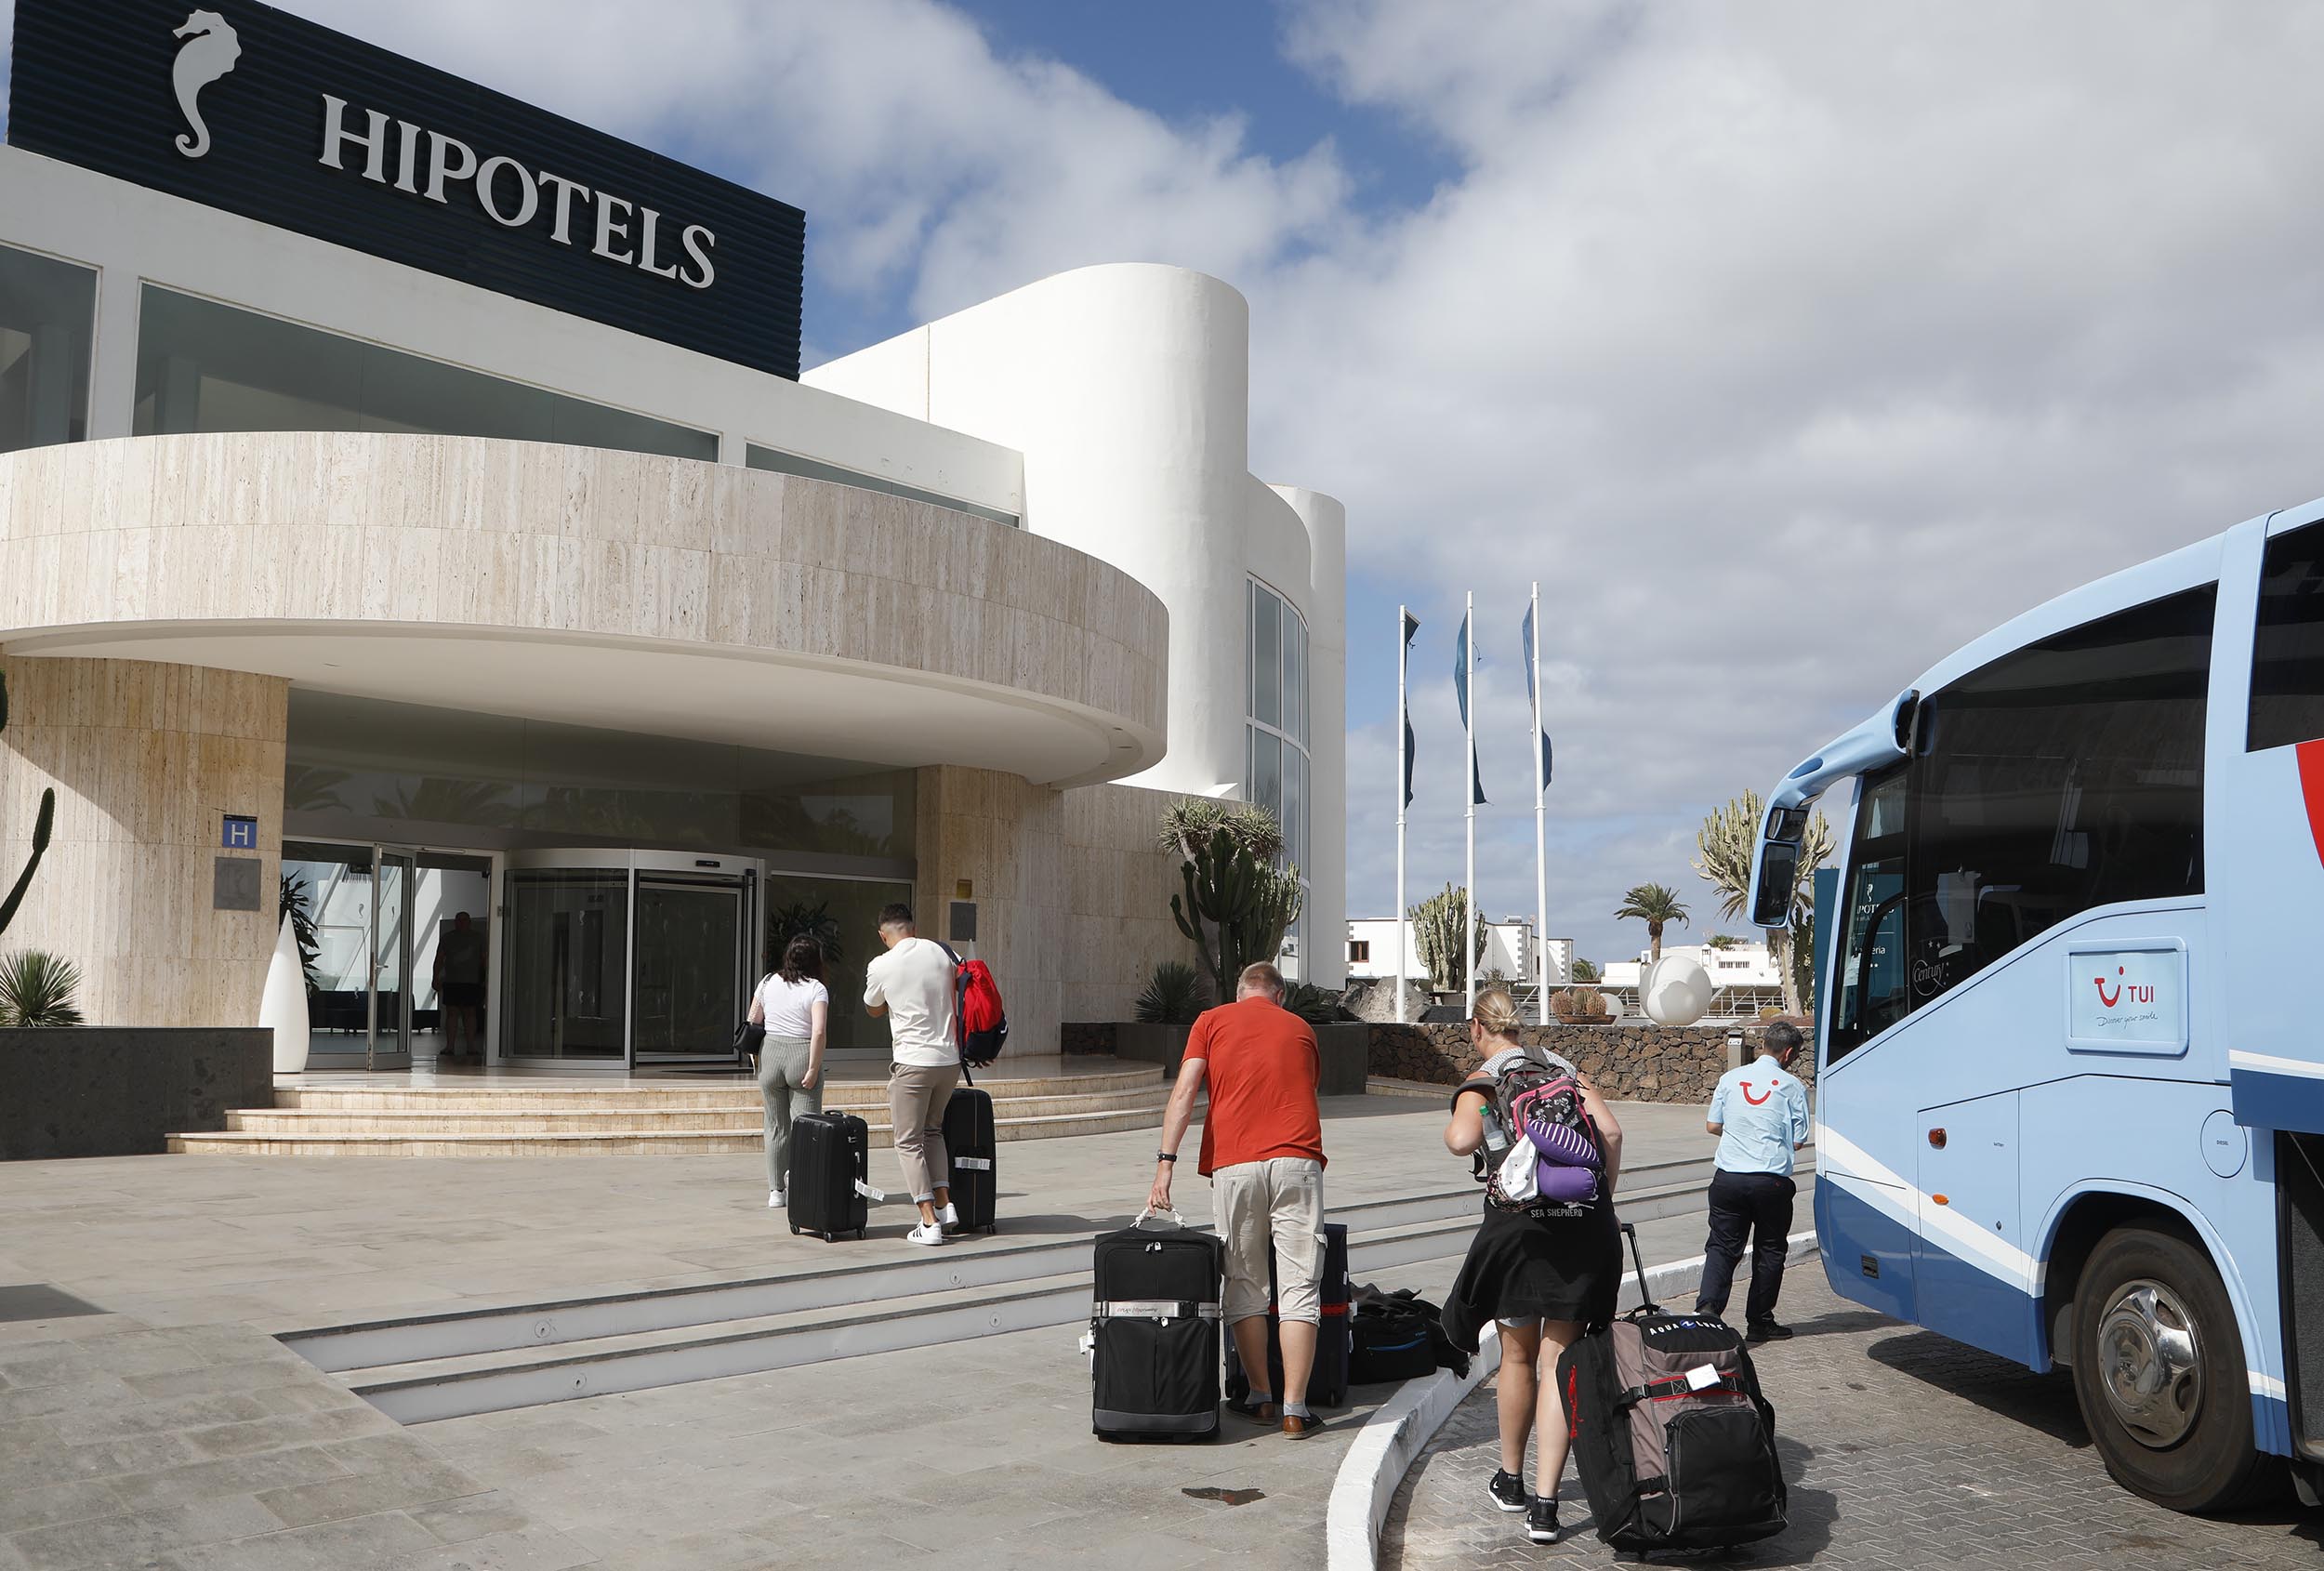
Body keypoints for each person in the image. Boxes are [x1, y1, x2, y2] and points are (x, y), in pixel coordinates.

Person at [1440, 986, 1625, 1547]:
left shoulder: (1486, 1079)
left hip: (1519, 1232)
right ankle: (1546, 1507)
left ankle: (1511, 1479)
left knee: (1516, 1354)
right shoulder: (1567, 1071)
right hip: (1582, 1227)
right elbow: (1612, 1133)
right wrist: (1597, 1201)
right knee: (1559, 1360)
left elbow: (1459, 1140)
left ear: (1477, 1027)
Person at [1146, 961, 1330, 1438]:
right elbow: (1304, 1088)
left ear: (1239, 991)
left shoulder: (1210, 1022)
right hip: (1298, 1159)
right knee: (1300, 1287)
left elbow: (1185, 1092)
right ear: (1280, 996)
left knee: (1246, 1283)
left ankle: (1260, 1398)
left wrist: (1166, 1163)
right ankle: (1296, 1408)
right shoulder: (1302, 1028)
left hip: (1235, 1163)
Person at [1697, 1019, 1812, 1341]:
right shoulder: (1792, 1087)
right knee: (1770, 1251)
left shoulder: (1730, 1079)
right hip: (1770, 1182)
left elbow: (1712, 1126)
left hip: (1728, 1179)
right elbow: (1799, 1139)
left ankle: (1708, 1312)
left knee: (1721, 1247)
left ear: (1764, 1046)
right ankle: (1759, 1322)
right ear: (1788, 1053)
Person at [863, 903, 960, 1247]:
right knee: (933, 1131)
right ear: (912, 927)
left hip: (912, 1062)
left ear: (882, 934)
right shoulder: (942, 952)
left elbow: (873, 1008)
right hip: (949, 1060)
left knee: (907, 1141)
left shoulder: (881, 965)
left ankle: (929, 1221)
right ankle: (946, 1207)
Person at [751, 936, 829, 1210]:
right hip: (800, 1054)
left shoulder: (768, 982)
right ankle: (802, 1184)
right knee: (806, 1127)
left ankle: (775, 1190)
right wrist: (812, 1067)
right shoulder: (816, 989)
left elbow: (754, 1020)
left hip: (771, 1054)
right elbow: (818, 1031)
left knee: (775, 1126)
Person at [433, 912, 486, 1061]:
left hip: (472, 981)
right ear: (455, 922)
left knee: (470, 1013)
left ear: (469, 922)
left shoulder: (479, 938)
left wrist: (487, 978)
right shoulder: (447, 938)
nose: (461, 923)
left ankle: (471, 1046)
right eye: (459, 920)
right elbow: (439, 959)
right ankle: (450, 1046)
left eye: (464, 920)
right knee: (452, 1013)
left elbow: (485, 959)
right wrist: (435, 977)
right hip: (452, 981)